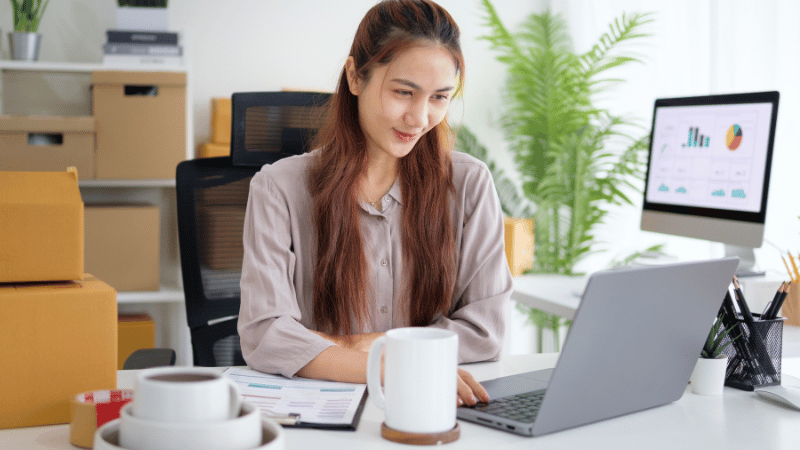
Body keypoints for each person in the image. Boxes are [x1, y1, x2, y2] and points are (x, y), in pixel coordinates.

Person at [238, 0, 512, 407]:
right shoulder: (278, 188)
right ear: (354, 77)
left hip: (432, 405)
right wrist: (394, 365)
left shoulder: (469, 184)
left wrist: (365, 345)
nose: (419, 118)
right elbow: (265, 336)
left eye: (440, 97)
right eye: (404, 92)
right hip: (324, 414)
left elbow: (486, 331)